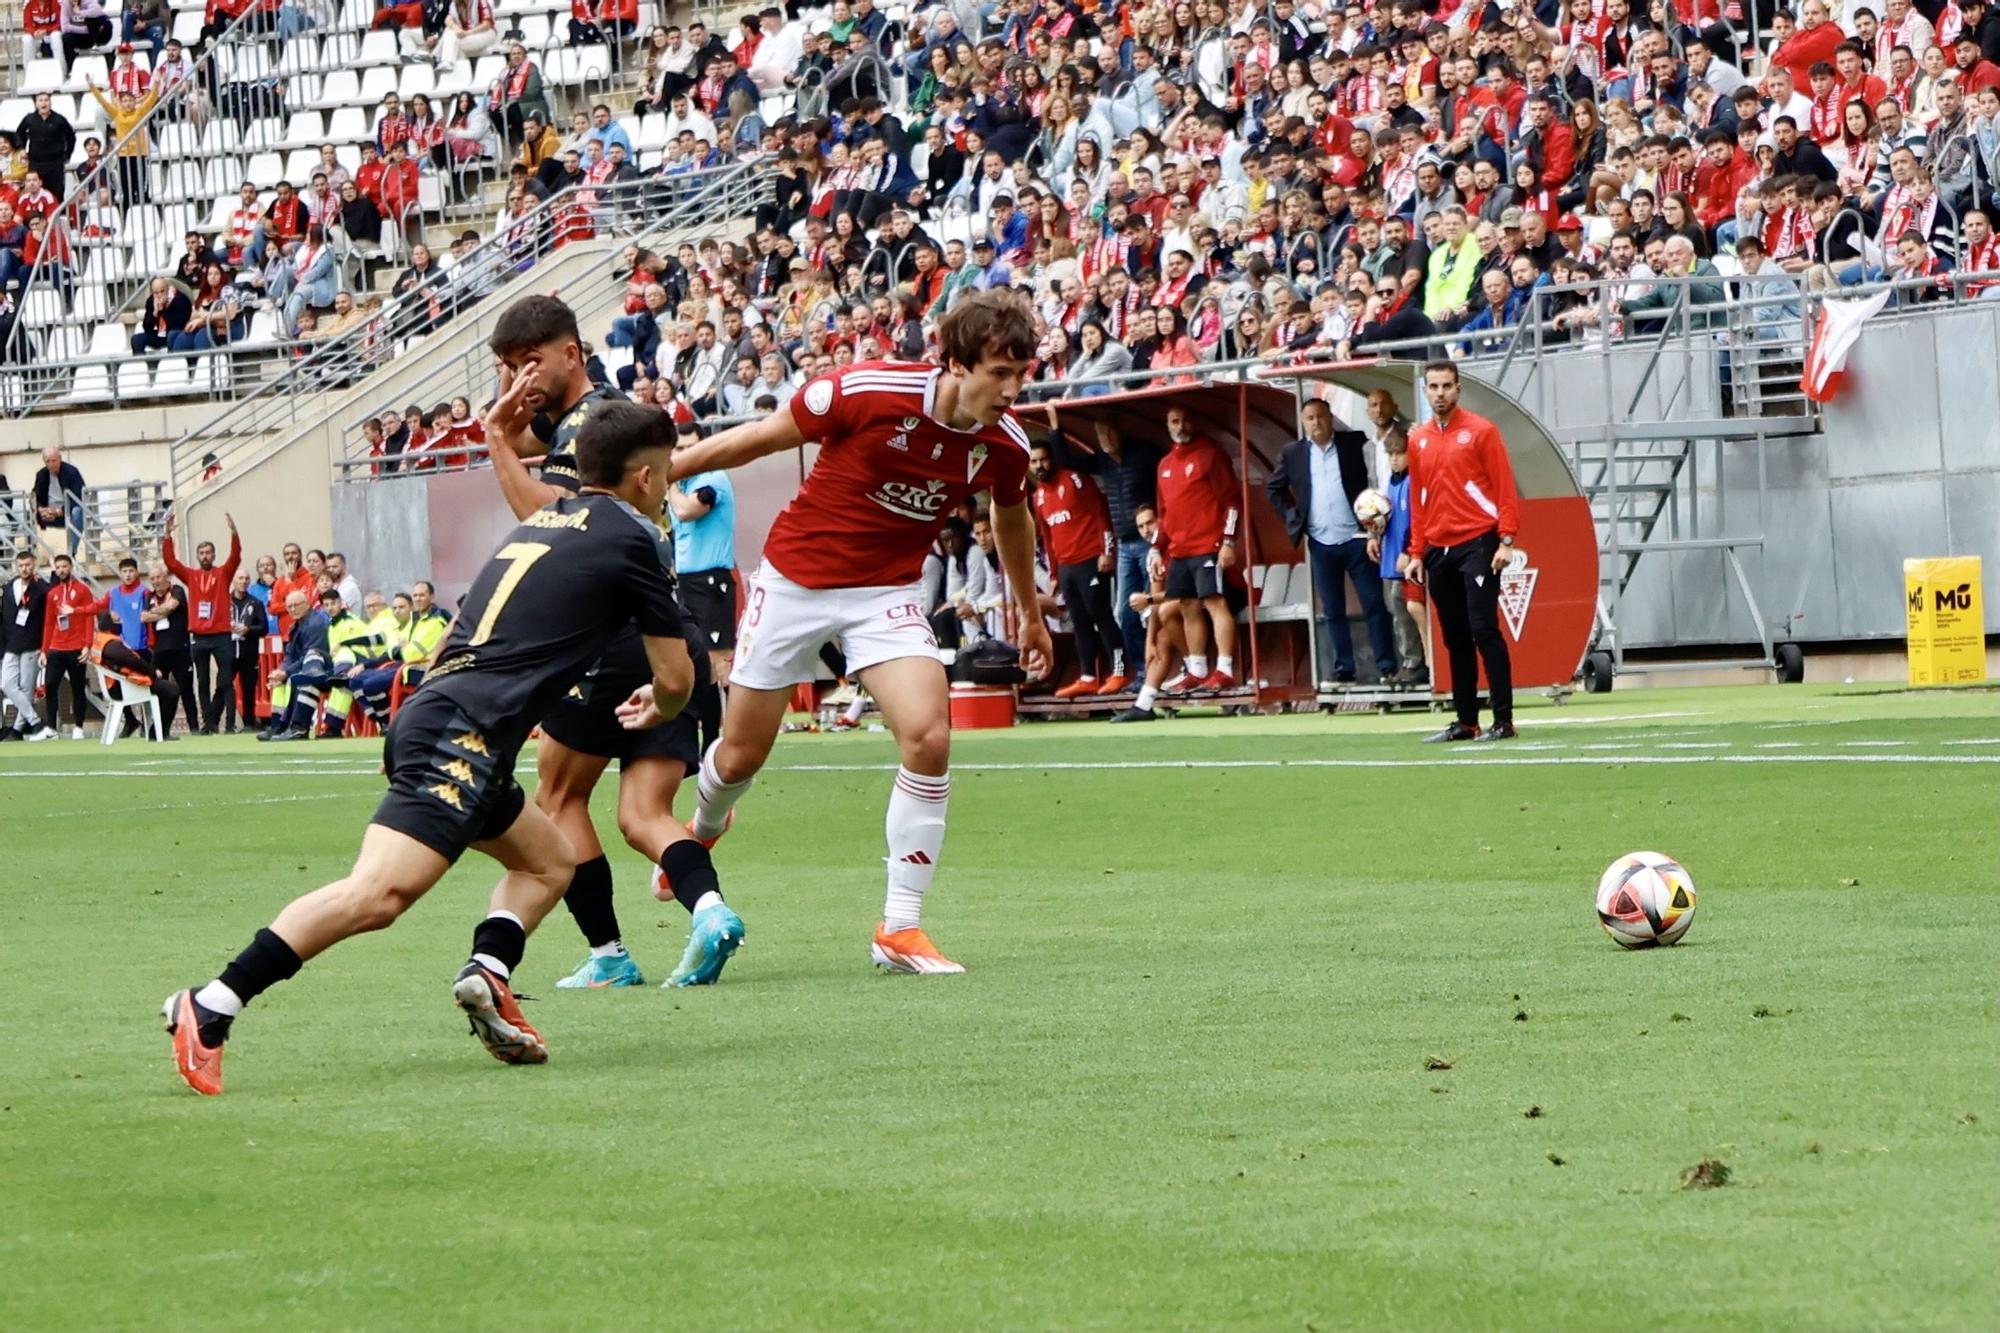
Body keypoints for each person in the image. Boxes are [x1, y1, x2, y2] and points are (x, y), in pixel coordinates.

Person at [162, 404, 697, 1095]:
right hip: (463, 731)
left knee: (549, 861)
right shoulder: (636, 537)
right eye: (672, 468)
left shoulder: (545, 519)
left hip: (450, 715)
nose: (672, 482)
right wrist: (666, 703)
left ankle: (490, 973)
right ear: (648, 475)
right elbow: (677, 676)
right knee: (378, 894)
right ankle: (209, 1006)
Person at [664, 291, 1052, 975]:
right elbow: (756, 439)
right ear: (956, 363)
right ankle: (702, 828)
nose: (1012, 389)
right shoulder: (865, 390)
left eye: (1022, 373)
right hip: (794, 584)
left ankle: (899, 925)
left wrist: (1029, 608)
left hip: (886, 595)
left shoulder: (1005, 444)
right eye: (1000, 372)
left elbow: (1013, 518)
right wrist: (661, 472)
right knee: (742, 757)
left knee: (930, 734)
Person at [483, 295, 744, 990]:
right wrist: (515, 427)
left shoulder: (586, 427)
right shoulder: (599, 416)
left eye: (528, 363)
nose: (518, 380)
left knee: (558, 797)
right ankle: (711, 910)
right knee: (642, 814)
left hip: (605, 637)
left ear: (572, 351)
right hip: (666, 628)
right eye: (508, 368)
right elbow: (546, 442)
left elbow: (552, 520)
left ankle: (608, 954)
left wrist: (498, 445)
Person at [1398, 361, 1520, 743]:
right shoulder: (1418, 441)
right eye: (1433, 387)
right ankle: (1467, 721)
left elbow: (1504, 488)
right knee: (1454, 636)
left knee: (1484, 628)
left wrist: (1507, 539)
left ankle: (1504, 720)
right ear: (1425, 390)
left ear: (1458, 388)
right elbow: (1419, 499)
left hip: (1478, 541)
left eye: (1446, 386)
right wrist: (1416, 552)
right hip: (1438, 547)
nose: (1439, 394)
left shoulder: (1482, 431)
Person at [1266, 398, 1397, 687]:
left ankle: (1387, 667)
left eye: (1321, 417)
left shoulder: (1353, 443)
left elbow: (1374, 471)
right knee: (1332, 609)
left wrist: (1372, 517)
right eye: (1310, 418)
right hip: (1320, 541)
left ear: (1330, 418)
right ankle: (1344, 669)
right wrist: (1293, 517)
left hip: (1356, 537)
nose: (1316, 423)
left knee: (1374, 603)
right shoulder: (1293, 453)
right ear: (1303, 422)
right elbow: (1274, 488)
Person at [1149, 405, 1241, 695]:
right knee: (1188, 606)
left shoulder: (1210, 455)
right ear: (1168, 426)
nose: (1181, 426)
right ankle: (1198, 668)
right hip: (1179, 550)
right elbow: (1164, 513)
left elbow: (1232, 501)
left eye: (1186, 420)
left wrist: (1228, 540)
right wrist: (1155, 548)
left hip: (1208, 545)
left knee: (1215, 603)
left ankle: (1225, 668)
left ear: (1195, 422)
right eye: (1175, 421)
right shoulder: (1164, 465)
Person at [1028, 441, 1121, 697]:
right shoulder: (1038, 496)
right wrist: (1055, 574)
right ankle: (1088, 676)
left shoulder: (1075, 480)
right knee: (1079, 622)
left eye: (1043, 459)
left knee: (1100, 615)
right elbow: (1048, 538)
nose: (1039, 466)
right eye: (1034, 461)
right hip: (1067, 567)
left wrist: (1107, 551)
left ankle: (1119, 671)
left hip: (1091, 559)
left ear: (1052, 458)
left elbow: (1100, 513)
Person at [667, 434, 738, 692]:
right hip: (686, 580)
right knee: (696, 657)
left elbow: (687, 511)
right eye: (679, 449)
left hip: (710, 578)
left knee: (718, 658)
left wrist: (670, 484)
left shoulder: (712, 479)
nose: (685, 454)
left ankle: (734, 728)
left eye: (690, 447)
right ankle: (709, 730)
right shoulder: (685, 485)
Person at [162, 510, 241, 734]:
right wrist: (167, 536)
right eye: (201, 553)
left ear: (214, 555)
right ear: (197, 557)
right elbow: (171, 562)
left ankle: (230, 724)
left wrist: (234, 533)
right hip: (199, 636)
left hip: (222, 634)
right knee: (203, 682)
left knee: (225, 681)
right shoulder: (191, 576)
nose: (205, 556)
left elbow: (235, 556)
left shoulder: (223, 573)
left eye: (208, 552)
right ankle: (209, 724)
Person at [258, 588, 335, 741]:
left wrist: (287, 672)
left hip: (322, 672)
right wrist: (281, 671)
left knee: (302, 680)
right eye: (289, 606)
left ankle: (299, 728)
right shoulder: (295, 626)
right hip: (301, 670)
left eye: (296, 605)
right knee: (279, 682)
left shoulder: (316, 624)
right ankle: (278, 726)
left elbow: (312, 656)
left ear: (307, 604)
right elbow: (290, 655)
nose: (293, 609)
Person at [40, 553, 100, 739]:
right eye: (58, 568)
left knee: (78, 687)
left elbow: (89, 618)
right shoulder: (52, 594)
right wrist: (44, 650)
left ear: (71, 567)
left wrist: (87, 645)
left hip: (76, 647)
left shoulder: (83, 590)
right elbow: (49, 623)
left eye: (64, 567)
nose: (61, 570)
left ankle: (79, 727)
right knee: (50, 685)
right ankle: (51, 727)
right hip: (56, 648)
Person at [2, 549, 57, 741]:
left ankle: (17, 730)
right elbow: (5, 618)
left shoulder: (41, 587)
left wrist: (54, 573)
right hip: (11, 644)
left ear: (33, 565)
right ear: (16, 567)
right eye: (21, 566)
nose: (24, 569)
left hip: (32, 643)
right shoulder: (10, 586)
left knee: (26, 688)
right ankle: (35, 722)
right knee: (6, 684)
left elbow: (54, 596)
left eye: (27, 565)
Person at [141, 559, 198, 736]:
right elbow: (144, 617)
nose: (156, 581)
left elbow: (172, 606)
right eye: (152, 578)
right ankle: (159, 729)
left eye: (158, 577)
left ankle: (194, 727)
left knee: (186, 689)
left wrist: (157, 612)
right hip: (159, 651)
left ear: (166, 577)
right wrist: (162, 611)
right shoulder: (149, 596)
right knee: (159, 689)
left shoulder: (177, 590)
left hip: (180, 648)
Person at [227, 567, 268, 732]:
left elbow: (263, 628)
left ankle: (249, 723)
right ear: (234, 580)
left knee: (249, 688)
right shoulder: (224, 601)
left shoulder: (255, 603)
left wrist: (248, 630)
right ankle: (220, 722)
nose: (243, 581)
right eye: (240, 578)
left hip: (248, 651)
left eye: (246, 579)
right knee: (223, 685)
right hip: (228, 651)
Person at [32, 445, 85, 557]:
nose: (51, 464)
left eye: (54, 461)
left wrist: (59, 511)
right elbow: (34, 497)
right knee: (27, 516)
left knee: (77, 512)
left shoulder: (72, 472)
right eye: (47, 461)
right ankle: (32, 556)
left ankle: (72, 552)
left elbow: (79, 499)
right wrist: (40, 509)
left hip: (67, 513)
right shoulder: (41, 475)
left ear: (60, 458)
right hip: (48, 515)